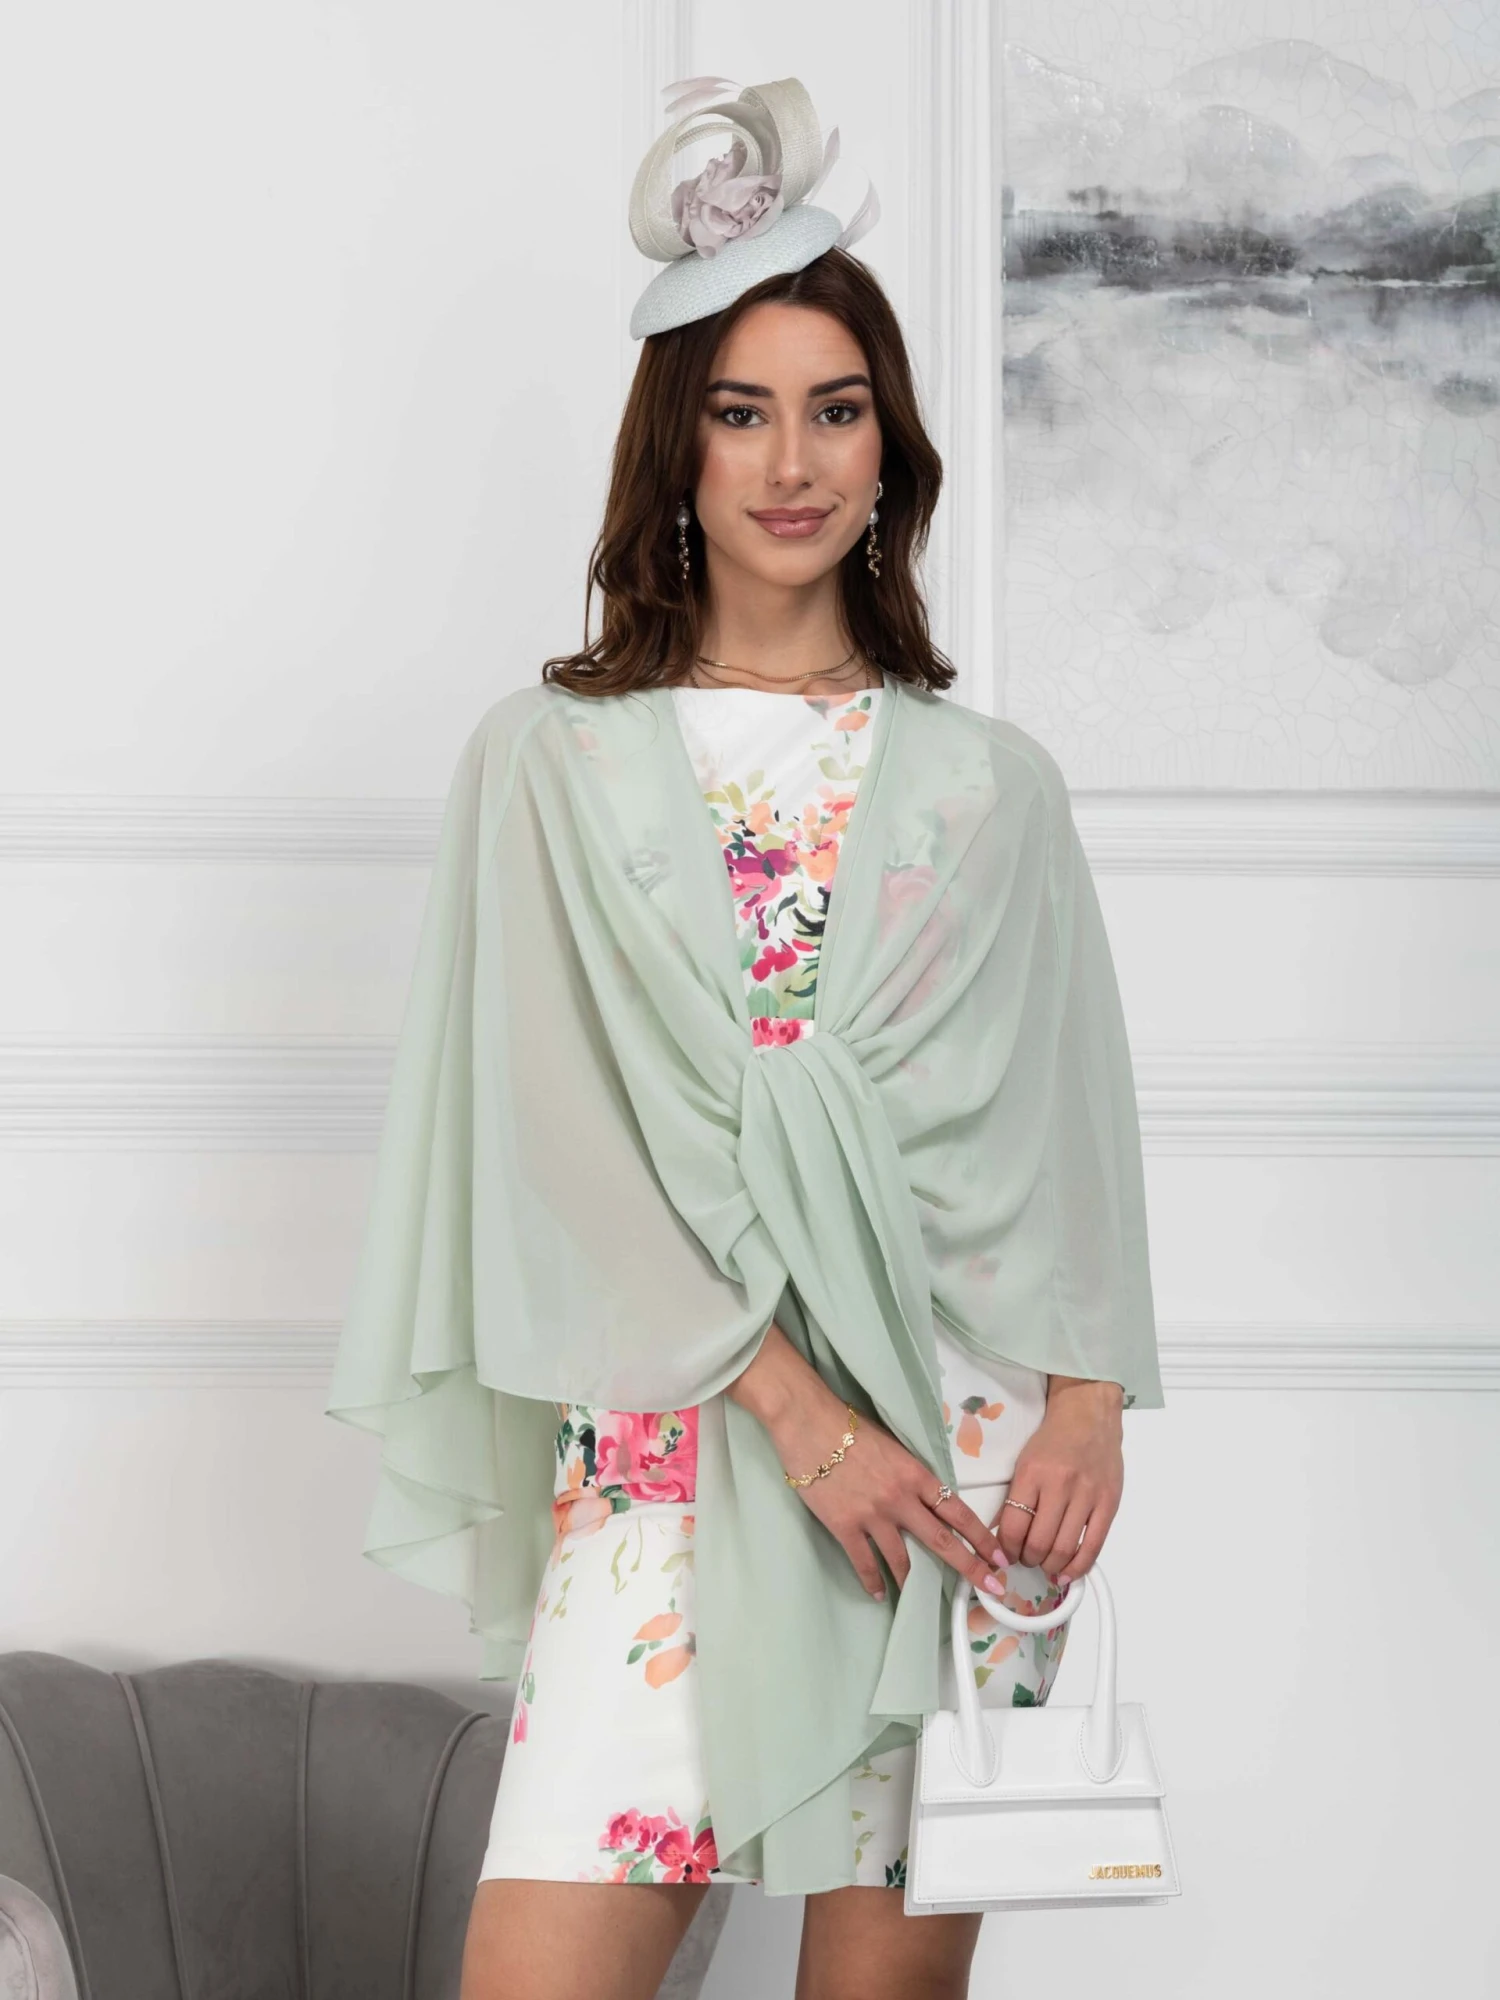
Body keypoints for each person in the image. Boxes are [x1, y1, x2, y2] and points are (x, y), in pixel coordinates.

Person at [325, 75, 1162, 2000]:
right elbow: (558, 1150)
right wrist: (801, 1422)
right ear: (675, 447)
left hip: (950, 1460)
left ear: (891, 452)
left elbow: (1072, 1124)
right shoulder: (547, 763)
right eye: (741, 410)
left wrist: (1089, 1407)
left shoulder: (996, 787)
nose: (793, 461)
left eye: (837, 410)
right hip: (684, 1423)